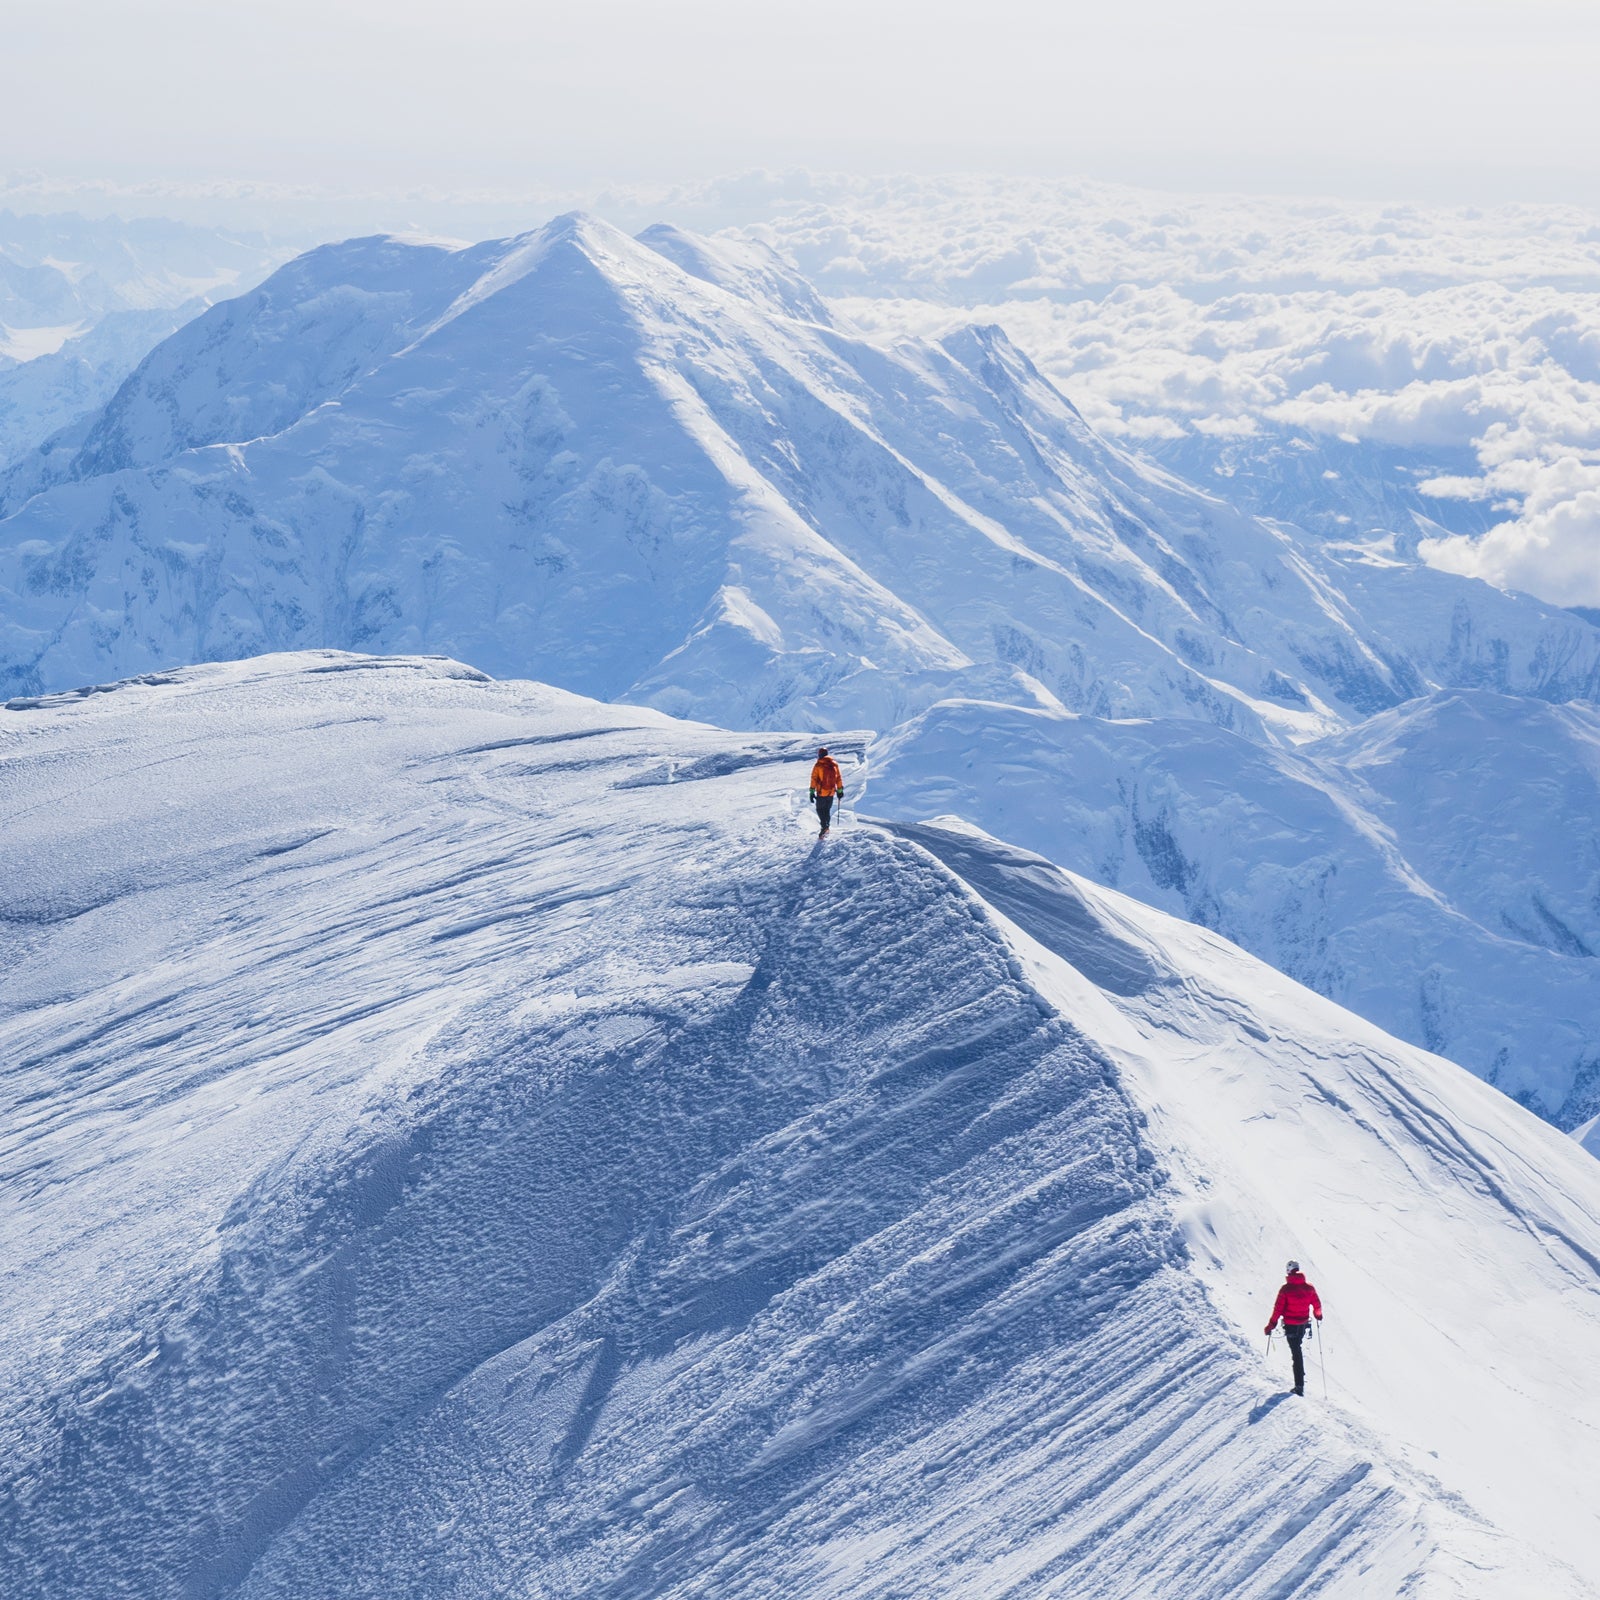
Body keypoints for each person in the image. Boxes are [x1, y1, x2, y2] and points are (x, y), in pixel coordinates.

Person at [1264, 1260, 1323, 1395]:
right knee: (1297, 1350)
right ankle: (1300, 1377)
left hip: (1291, 1326)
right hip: (1302, 1324)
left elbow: (1277, 1310)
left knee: (1296, 1353)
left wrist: (1271, 1325)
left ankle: (1299, 1385)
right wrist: (1318, 1315)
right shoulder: (1309, 1288)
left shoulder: (1285, 1289)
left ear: (1289, 1271)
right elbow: (1317, 1304)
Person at [809, 747, 845, 836]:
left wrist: (812, 792)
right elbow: (838, 778)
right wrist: (840, 791)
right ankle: (827, 827)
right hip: (831, 792)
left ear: (819, 755)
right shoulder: (834, 764)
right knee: (827, 810)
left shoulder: (818, 765)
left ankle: (824, 827)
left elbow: (814, 779)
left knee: (820, 809)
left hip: (821, 792)